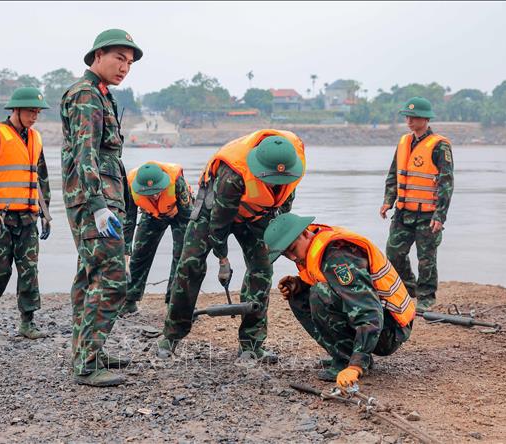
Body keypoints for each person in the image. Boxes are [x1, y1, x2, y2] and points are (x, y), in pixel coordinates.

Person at [157, 130, 306, 362]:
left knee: (262, 269)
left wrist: (276, 238)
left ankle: (251, 344)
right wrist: (223, 260)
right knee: (190, 266)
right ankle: (171, 336)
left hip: (257, 214)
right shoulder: (233, 174)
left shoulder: (291, 164)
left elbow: (283, 205)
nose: (276, 183)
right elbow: (219, 224)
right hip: (213, 210)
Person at [60, 29, 143, 387]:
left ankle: (88, 351)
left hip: (103, 198)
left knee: (90, 276)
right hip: (95, 200)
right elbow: (85, 151)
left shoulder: (101, 95)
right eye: (118, 58)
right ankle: (87, 362)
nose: (124, 67)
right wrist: (97, 205)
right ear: (97, 56)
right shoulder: (86, 95)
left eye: (129, 62)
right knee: (112, 280)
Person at [264, 213, 415, 388]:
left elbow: (369, 311)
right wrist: (299, 285)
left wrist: (356, 365)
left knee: (319, 294)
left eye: (292, 249)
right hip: (381, 323)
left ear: (305, 233)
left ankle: (348, 361)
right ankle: (343, 355)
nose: (292, 257)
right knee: (301, 296)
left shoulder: (337, 256)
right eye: (285, 254)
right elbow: (332, 284)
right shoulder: (316, 247)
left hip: (390, 330)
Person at [0, 87, 52, 339]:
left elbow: (41, 177)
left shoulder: (36, 138)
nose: (34, 115)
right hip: (0, 218)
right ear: (15, 110)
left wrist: (46, 212)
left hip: (28, 217)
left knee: (29, 269)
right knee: (0, 270)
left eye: (38, 111)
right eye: (30, 111)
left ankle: (27, 322)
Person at [380, 97, 454, 310]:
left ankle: (426, 297)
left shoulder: (440, 145)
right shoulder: (404, 142)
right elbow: (394, 175)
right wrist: (388, 201)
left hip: (428, 215)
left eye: (414, 117)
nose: (409, 121)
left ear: (425, 119)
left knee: (426, 258)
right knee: (393, 253)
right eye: (408, 116)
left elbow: (446, 183)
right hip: (403, 213)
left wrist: (440, 216)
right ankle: (409, 286)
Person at [119, 161, 194, 315]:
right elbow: (129, 220)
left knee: (181, 255)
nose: (154, 195)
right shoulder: (130, 184)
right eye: (149, 193)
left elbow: (188, 218)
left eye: (157, 191)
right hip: (152, 214)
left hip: (179, 212)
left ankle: (175, 303)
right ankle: (129, 300)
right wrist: (125, 253)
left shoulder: (176, 181)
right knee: (139, 254)